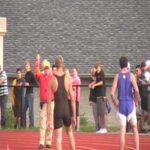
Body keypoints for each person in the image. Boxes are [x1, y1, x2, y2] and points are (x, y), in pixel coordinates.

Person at [111, 56, 140, 150]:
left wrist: (115, 104)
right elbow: (136, 90)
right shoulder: (131, 75)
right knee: (135, 129)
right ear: (127, 64)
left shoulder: (117, 76)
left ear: (120, 65)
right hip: (130, 105)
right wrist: (136, 101)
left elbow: (111, 93)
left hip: (122, 105)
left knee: (122, 131)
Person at [49, 55, 76, 150]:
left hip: (57, 111)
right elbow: (73, 99)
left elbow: (49, 102)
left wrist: (49, 119)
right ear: (63, 64)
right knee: (70, 134)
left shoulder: (52, 80)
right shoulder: (68, 79)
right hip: (66, 110)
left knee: (58, 138)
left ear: (55, 65)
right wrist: (74, 116)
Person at [34, 54, 54, 149]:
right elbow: (36, 71)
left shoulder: (52, 77)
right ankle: (41, 142)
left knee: (50, 122)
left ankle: (48, 141)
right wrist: (37, 60)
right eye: (45, 68)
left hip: (52, 102)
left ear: (49, 69)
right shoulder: (41, 76)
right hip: (44, 103)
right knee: (43, 122)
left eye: (47, 68)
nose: (46, 70)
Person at [92, 63, 107, 133]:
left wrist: (94, 85)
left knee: (103, 113)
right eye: (96, 68)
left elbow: (101, 82)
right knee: (100, 113)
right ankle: (101, 127)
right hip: (97, 96)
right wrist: (92, 84)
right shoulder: (96, 73)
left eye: (97, 68)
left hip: (102, 95)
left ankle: (104, 127)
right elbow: (95, 80)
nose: (97, 69)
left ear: (99, 67)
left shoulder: (102, 72)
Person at [22, 61, 37, 128]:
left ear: (29, 66)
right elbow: (25, 84)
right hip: (26, 94)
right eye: (25, 66)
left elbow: (36, 84)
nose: (26, 67)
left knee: (31, 111)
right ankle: (24, 126)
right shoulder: (26, 74)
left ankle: (31, 126)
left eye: (27, 66)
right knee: (23, 110)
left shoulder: (31, 74)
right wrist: (23, 84)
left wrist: (29, 84)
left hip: (30, 94)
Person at [71, 67, 81, 131]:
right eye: (73, 71)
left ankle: (77, 128)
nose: (73, 73)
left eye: (75, 71)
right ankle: (73, 126)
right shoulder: (71, 78)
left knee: (76, 113)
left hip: (76, 98)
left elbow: (71, 84)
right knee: (72, 113)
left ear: (77, 72)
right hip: (71, 98)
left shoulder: (77, 79)